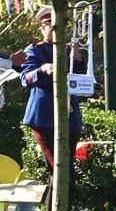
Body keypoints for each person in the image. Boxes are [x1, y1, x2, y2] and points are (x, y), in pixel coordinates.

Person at [15, 9, 86, 172]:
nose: (55, 29)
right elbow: (25, 79)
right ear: (41, 28)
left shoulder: (70, 49)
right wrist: (41, 70)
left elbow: (81, 80)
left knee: (65, 169)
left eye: (60, 25)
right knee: (59, 168)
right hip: (44, 117)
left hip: (70, 117)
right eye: (50, 25)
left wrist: (78, 59)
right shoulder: (34, 50)